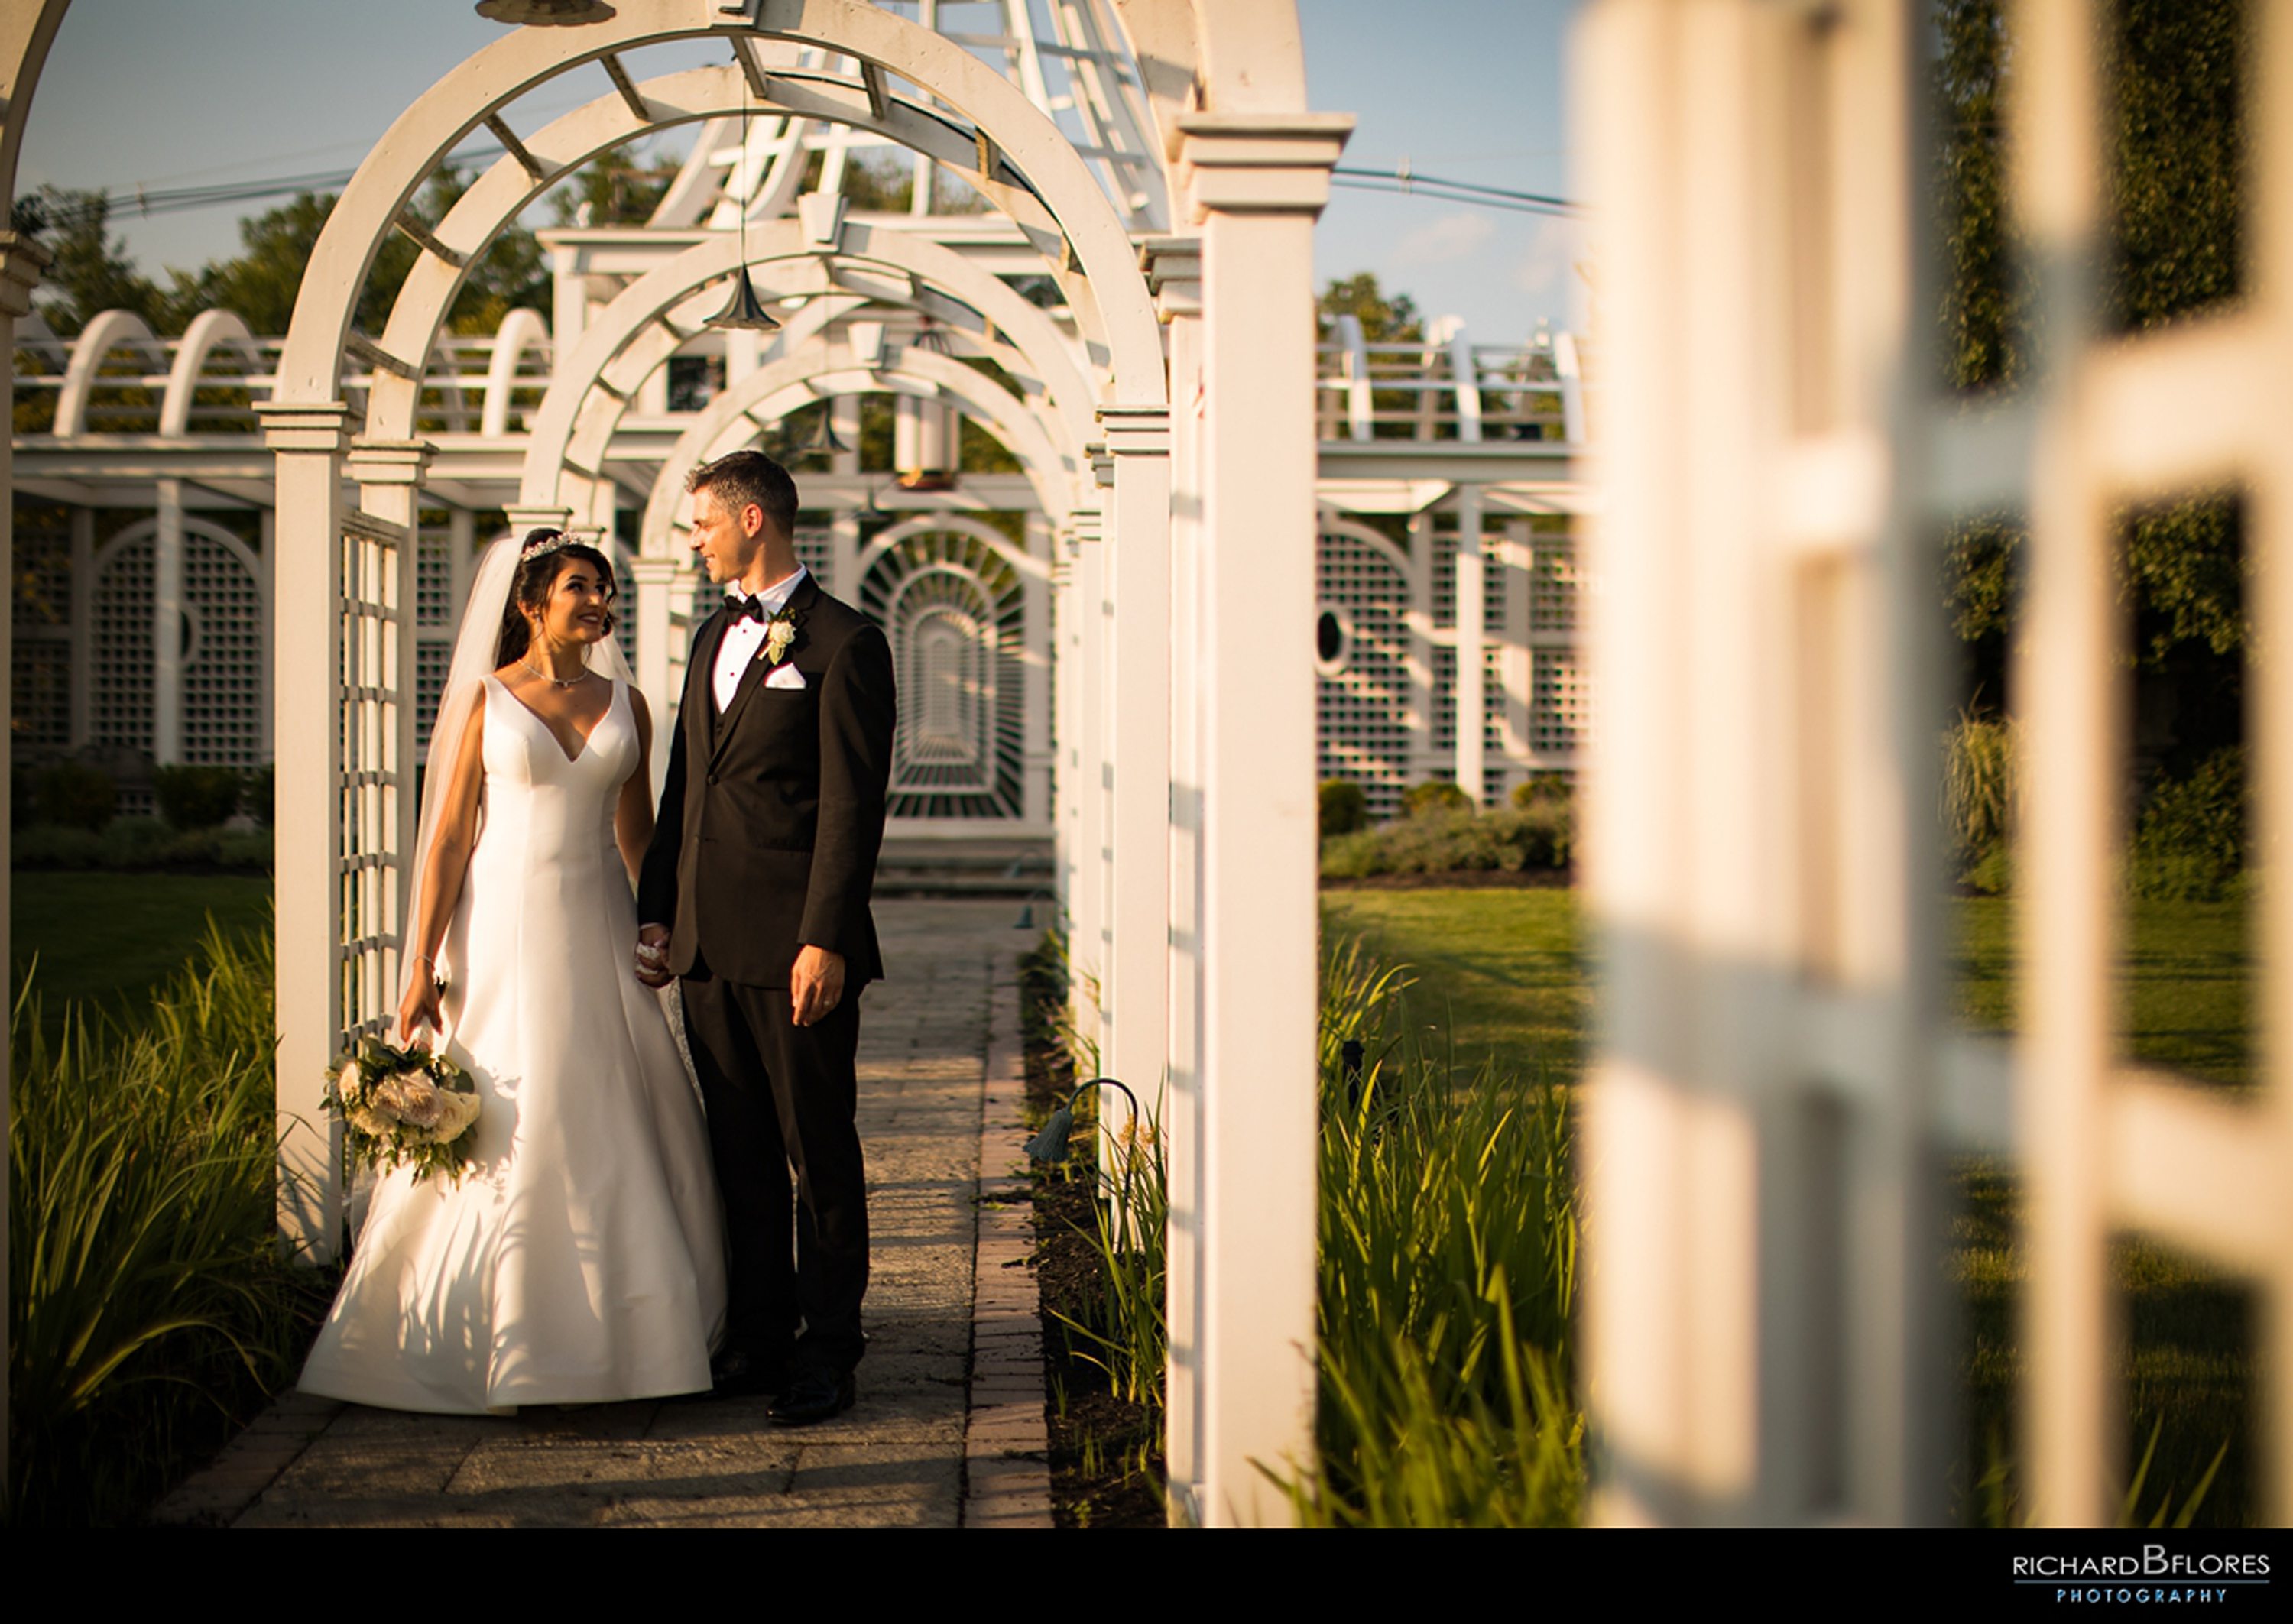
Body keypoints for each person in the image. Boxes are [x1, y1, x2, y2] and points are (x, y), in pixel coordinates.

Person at [297, 530, 727, 1415]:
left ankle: (634, 1337)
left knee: (610, 1100)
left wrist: (660, 923)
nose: (598, 601)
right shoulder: (485, 700)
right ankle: (471, 1328)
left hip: (598, 924)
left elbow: (637, 833)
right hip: (499, 928)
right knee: (505, 1103)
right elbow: (450, 835)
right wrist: (420, 964)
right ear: (531, 604)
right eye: (579, 586)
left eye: (605, 588)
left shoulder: (630, 704)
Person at [637, 449, 897, 1427]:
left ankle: (830, 1350)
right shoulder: (711, 635)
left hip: (797, 952)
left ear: (752, 519)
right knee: (735, 1153)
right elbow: (683, 790)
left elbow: (851, 808)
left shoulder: (844, 642)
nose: (693, 539)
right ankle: (757, 1335)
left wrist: (823, 938)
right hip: (705, 944)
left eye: (701, 522)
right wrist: (656, 909)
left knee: (815, 1152)